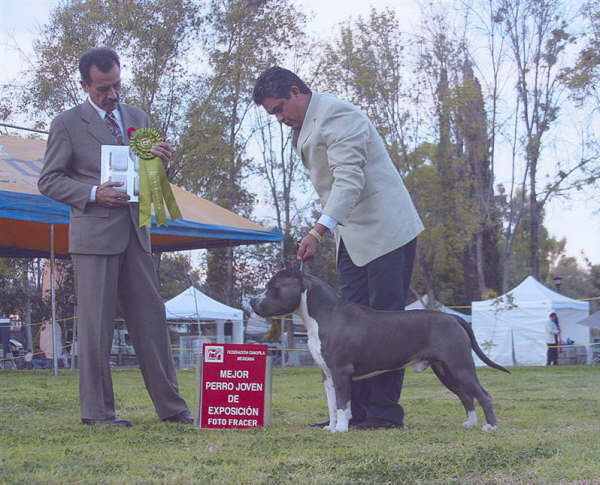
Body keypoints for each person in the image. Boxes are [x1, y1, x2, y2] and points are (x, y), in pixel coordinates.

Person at [253, 67, 424, 429]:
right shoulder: (304, 125)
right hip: (352, 236)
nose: (280, 118)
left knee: (386, 324)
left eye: (280, 109)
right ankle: (351, 412)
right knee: (348, 328)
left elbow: (349, 181)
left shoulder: (338, 115)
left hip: (386, 232)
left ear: (296, 91)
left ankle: (383, 414)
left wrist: (317, 231)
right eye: (273, 114)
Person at [38, 47, 191, 427]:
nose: (112, 94)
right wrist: (92, 194)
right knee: (96, 328)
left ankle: (172, 408)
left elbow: (151, 178)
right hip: (94, 238)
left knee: (152, 320)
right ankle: (98, 412)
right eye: (103, 88)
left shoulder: (138, 117)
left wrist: (159, 161)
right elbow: (49, 180)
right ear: (85, 85)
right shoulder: (67, 124)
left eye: (117, 85)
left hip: (137, 235)